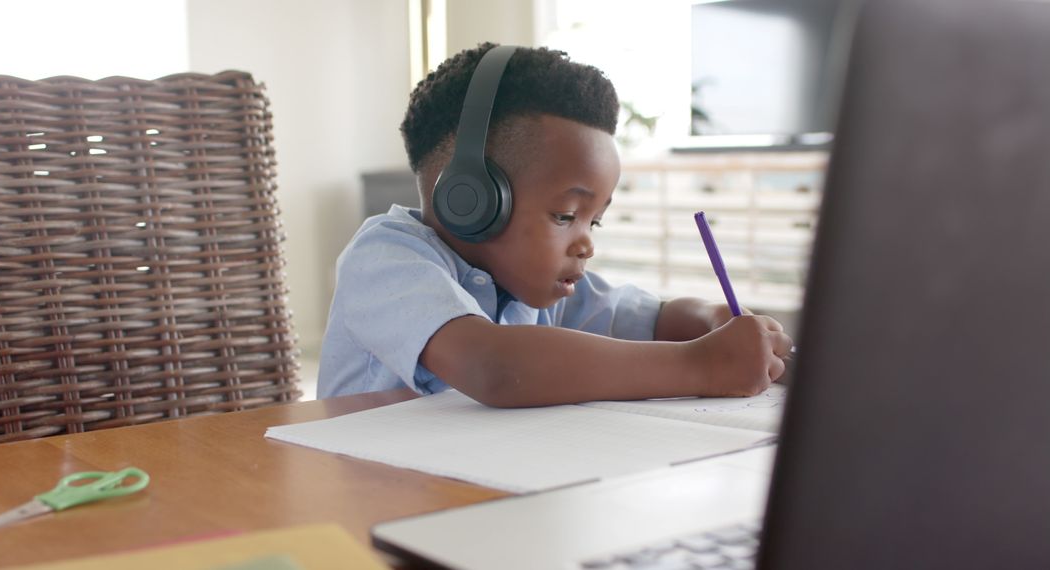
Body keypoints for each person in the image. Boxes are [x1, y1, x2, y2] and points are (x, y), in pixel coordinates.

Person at [317, 43, 793, 406]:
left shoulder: (537, 289)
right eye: (566, 215)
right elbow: (495, 367)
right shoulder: (385, 261)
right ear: (471, 198)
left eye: (595, 222)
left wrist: (712, 322)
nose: (584, 242)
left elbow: (648, 317)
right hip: (364, 503)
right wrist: (701, 364)